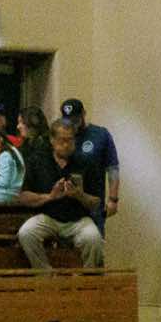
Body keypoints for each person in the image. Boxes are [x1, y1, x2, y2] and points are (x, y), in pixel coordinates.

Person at [15, 120, 107, 269]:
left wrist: (80, 195)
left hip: (78, 219)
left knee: (94, 238)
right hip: (48, 217)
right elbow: (24, 197)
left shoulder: (86, 163)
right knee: (26, 233)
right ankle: (45, 274)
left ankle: (86, 278)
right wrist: (50, 196)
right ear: (52, 140)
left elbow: (96, 202)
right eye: (62, 140)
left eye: (70, 140)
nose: (66, 145)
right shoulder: (38, 161)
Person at [58, 99, 120, 230]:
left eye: (75, 120)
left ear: (83, 114)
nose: (72, 124)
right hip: (65, 204)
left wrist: (113, 199)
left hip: (93, 202)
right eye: (68, 121)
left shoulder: (100, 135)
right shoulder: (61, 136)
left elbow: (112, 168)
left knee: (94, 237)